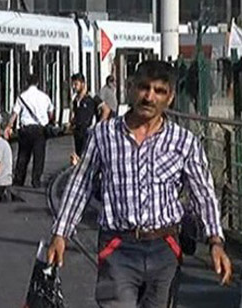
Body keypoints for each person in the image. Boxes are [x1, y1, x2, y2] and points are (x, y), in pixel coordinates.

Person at [47, 60, 232, 308]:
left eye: (159, 91)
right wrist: (61, 233)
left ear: (170, 97)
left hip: (164, 248)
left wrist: (215, 241)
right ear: (131, 88)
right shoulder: (104, 135)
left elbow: (203, 193)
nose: (149, 97)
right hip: (118, 247)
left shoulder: (184, 142)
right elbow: (81, 183)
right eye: (144, 88)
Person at [5, 74, 54, 188]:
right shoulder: (44, 97)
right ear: (37, 83)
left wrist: (9, 126)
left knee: (23, 155)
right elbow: (51, 113)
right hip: (40, 130)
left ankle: (19, 179)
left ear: (27, 83)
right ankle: (36, 181)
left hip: (26, 130)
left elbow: (15, 114)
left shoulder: (22, 97)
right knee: (39, 157)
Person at [71, 73, 110, 156]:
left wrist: (98, 125)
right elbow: (75, 114)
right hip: (78, 133)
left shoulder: (91, 97)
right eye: (73, 84)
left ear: (83, 84)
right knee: (79, 157)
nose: (74, 87)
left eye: (76, 84)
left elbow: (106, 109)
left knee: (88, 156)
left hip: (88, 132)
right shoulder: (76, 99)